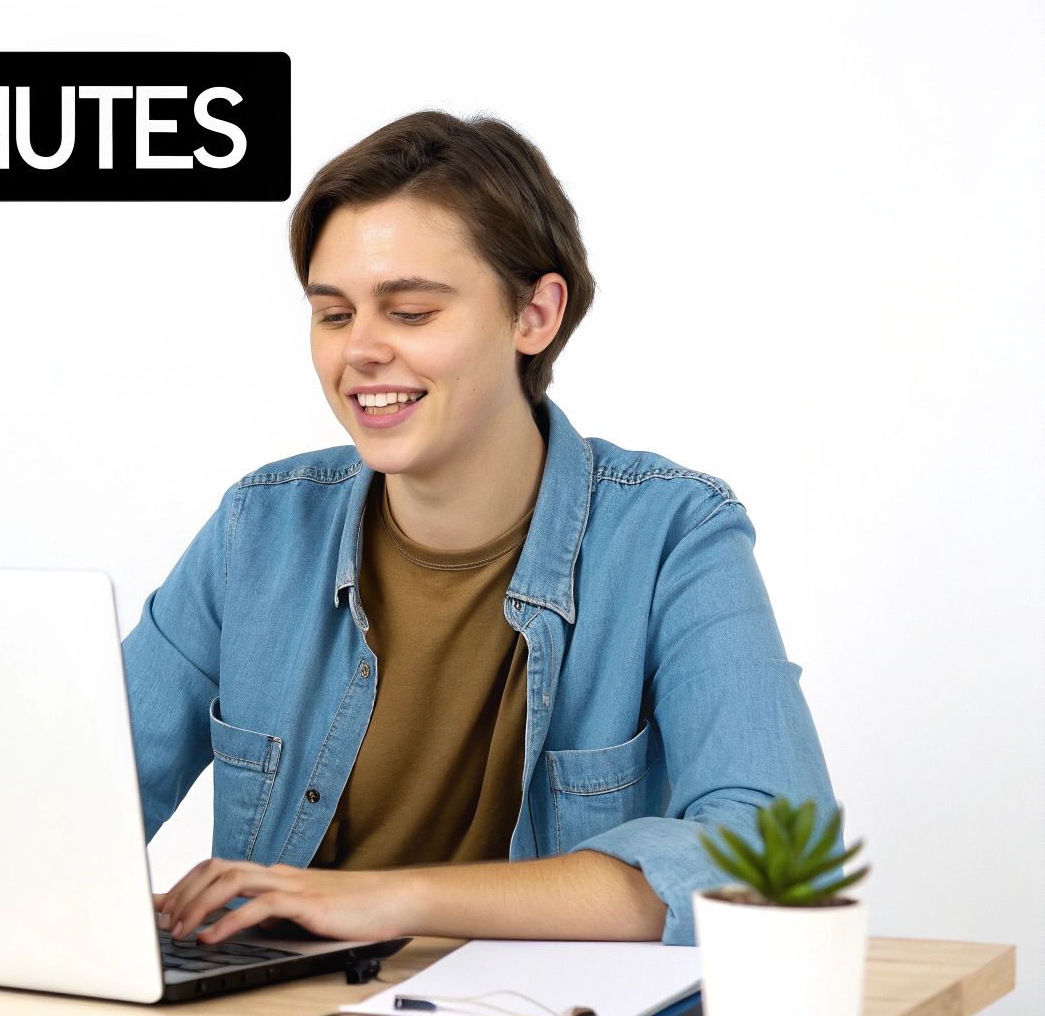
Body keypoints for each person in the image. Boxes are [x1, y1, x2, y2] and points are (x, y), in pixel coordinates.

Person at [128, 110, 836, 949]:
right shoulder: (259, 530)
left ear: (534, 314)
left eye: (412, 312)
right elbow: (69, 802)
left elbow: (777, 864)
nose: (360, 352)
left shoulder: (674, 535)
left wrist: (395, 899)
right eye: (334, 314)